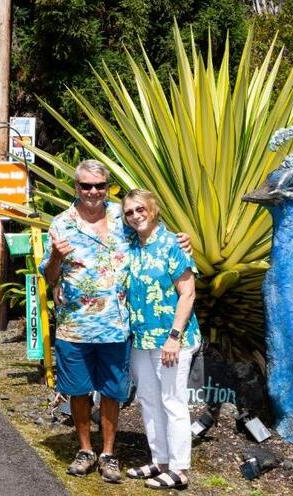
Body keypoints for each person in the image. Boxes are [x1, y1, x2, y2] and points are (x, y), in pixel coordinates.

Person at [40, 160, 190, 484]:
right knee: (78, 391)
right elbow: (49, 275)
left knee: (112, 391)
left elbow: (152, 233)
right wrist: (55, 258)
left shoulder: (122, 218)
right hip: (74, 326)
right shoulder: (60, 224)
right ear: (76, 188)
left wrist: (181, 242)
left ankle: (108, 453)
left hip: (117, 327)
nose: (93, 191)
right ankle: (84, 449)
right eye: (86, 186)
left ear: (108, 187)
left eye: (99, 186)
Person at [120, 189, 201, 490]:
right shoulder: (131, 246)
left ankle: (180, 469)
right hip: (141, 338)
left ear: (153, 210)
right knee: (148, 400)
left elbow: (188, 293)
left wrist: (174, 337)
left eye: (140, 209)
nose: (135, 215)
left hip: (171, 338)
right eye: (129, 212)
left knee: (173, 401)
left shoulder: (172, 244)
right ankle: (160, 461)